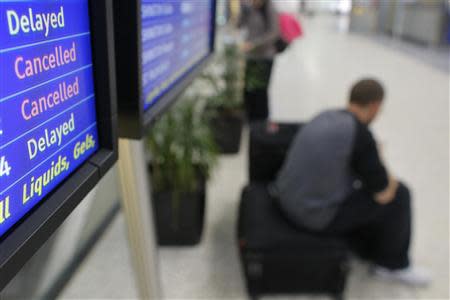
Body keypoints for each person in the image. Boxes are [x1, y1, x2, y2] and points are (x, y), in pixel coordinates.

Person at [271, 79, 431, 286]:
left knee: (361, 187)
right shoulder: (360, 135)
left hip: (285, 199)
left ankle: (369, 245)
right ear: (375, 106)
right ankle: (393, 266)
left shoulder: (325, 115)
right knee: (401, 195)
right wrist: (381, 159)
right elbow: (384, 193)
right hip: (312, 216)